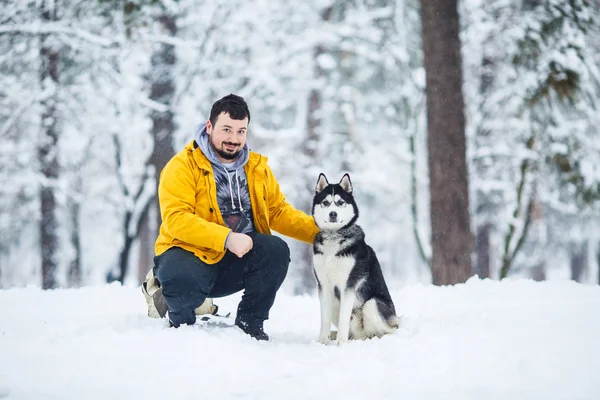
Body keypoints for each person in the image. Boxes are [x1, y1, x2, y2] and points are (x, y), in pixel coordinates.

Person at [149, 94, 318, 341]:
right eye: (226, 129)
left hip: (234, 259)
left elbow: (278, 212)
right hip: (189, 253)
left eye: (241, 131)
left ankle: (250, 324)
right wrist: (226, 238)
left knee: (276, 250)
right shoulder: (182, 166)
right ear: (209, 127)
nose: (233, 139)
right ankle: (177, 316)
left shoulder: (256, 168)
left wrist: (324, 233)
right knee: (182, 284)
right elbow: (176, 219)